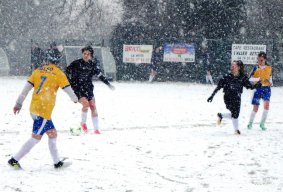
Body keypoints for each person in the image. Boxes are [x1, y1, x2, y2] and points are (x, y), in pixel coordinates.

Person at [8, 50, 78, 169]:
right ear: (58, 61)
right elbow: (68, 89)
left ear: (47, 60)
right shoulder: (59, 73)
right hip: (43, 111)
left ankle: (57, 162)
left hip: (34, 108)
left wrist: (18, 104)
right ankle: (14, 159)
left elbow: (25, 90)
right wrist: (76, 99)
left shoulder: (37, 71)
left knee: (52, 134)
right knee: (36, 138)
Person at [66, 46, 115, 134]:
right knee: (86, 104)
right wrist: (69, 82)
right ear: (82, 54)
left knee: (93, 106)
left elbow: (100, 76)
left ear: (91, 55)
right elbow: (66, 72)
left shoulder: (93, 64)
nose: (86, 55)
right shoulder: (76, 63)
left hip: (88, 88)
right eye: (84, 53)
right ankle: (83, 123)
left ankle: (96, 129)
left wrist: (108, 84)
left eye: (88, 54)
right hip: (78, 88)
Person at [207, 60, 261, 135]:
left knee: (235, 115)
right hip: (227, 98)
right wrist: (212, 96)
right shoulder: (226, 77)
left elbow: (249, 86)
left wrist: (256, 85)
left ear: (238, 67)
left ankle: (222, 116)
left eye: (234, 66)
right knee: (234, 114)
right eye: (231, 66)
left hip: (237, 97)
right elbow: (218, 87)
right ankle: (236, 130)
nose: (232, 68)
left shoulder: (243, 77)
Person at [247, 51, 272, 131]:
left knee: (267, 106)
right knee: (255, 108)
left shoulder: (269, 68)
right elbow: (249, 79)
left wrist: (271, 83)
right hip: (257, 89)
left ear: (265, 60)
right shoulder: (255, 68)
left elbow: (270, 77)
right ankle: (250, 123)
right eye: (258, 60)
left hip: (266, 89)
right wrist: (258, 79)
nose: (259, 62)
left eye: (261, 60)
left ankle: (262, 123)